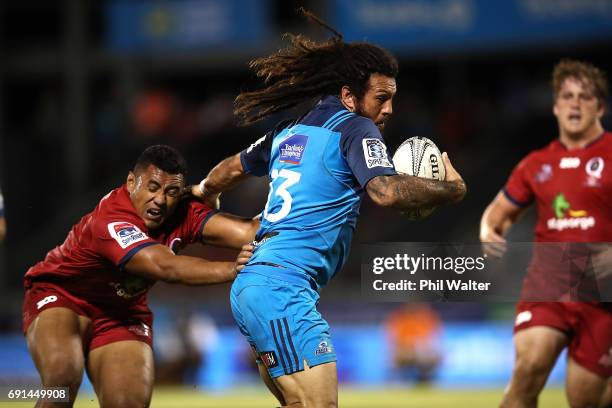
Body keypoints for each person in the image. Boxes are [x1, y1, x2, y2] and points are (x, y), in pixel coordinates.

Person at [198, 11, 467, 407]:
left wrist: (203, 193)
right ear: (348, 96)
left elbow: (225, 171)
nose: (389, 109)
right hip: (282, 290)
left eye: (393, 97)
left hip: (259, 286)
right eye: (381, 97)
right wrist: (452, 190)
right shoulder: (356, 128)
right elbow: (386, 192)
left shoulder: (288, 131)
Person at [22, 145, 257, 408]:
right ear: (131, 182)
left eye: (171, 192)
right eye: (152, 187)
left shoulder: (183, 211)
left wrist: (295, 195)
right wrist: (232, 269)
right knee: (61, 381)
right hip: (63, 296)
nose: (160, 200)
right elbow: (166, 267)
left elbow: (250, 232)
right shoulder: (111, 218)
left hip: (123, 312)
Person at [480, 60, 612, 408]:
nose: (575, 103)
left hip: (603, 296)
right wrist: (489, 229)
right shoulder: (536, 164)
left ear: (601, 107)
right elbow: (497, 214)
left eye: (585, 97)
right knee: (530, 366)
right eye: (567, 96)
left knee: (585, 398)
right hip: (549, 285)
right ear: (555, 106)